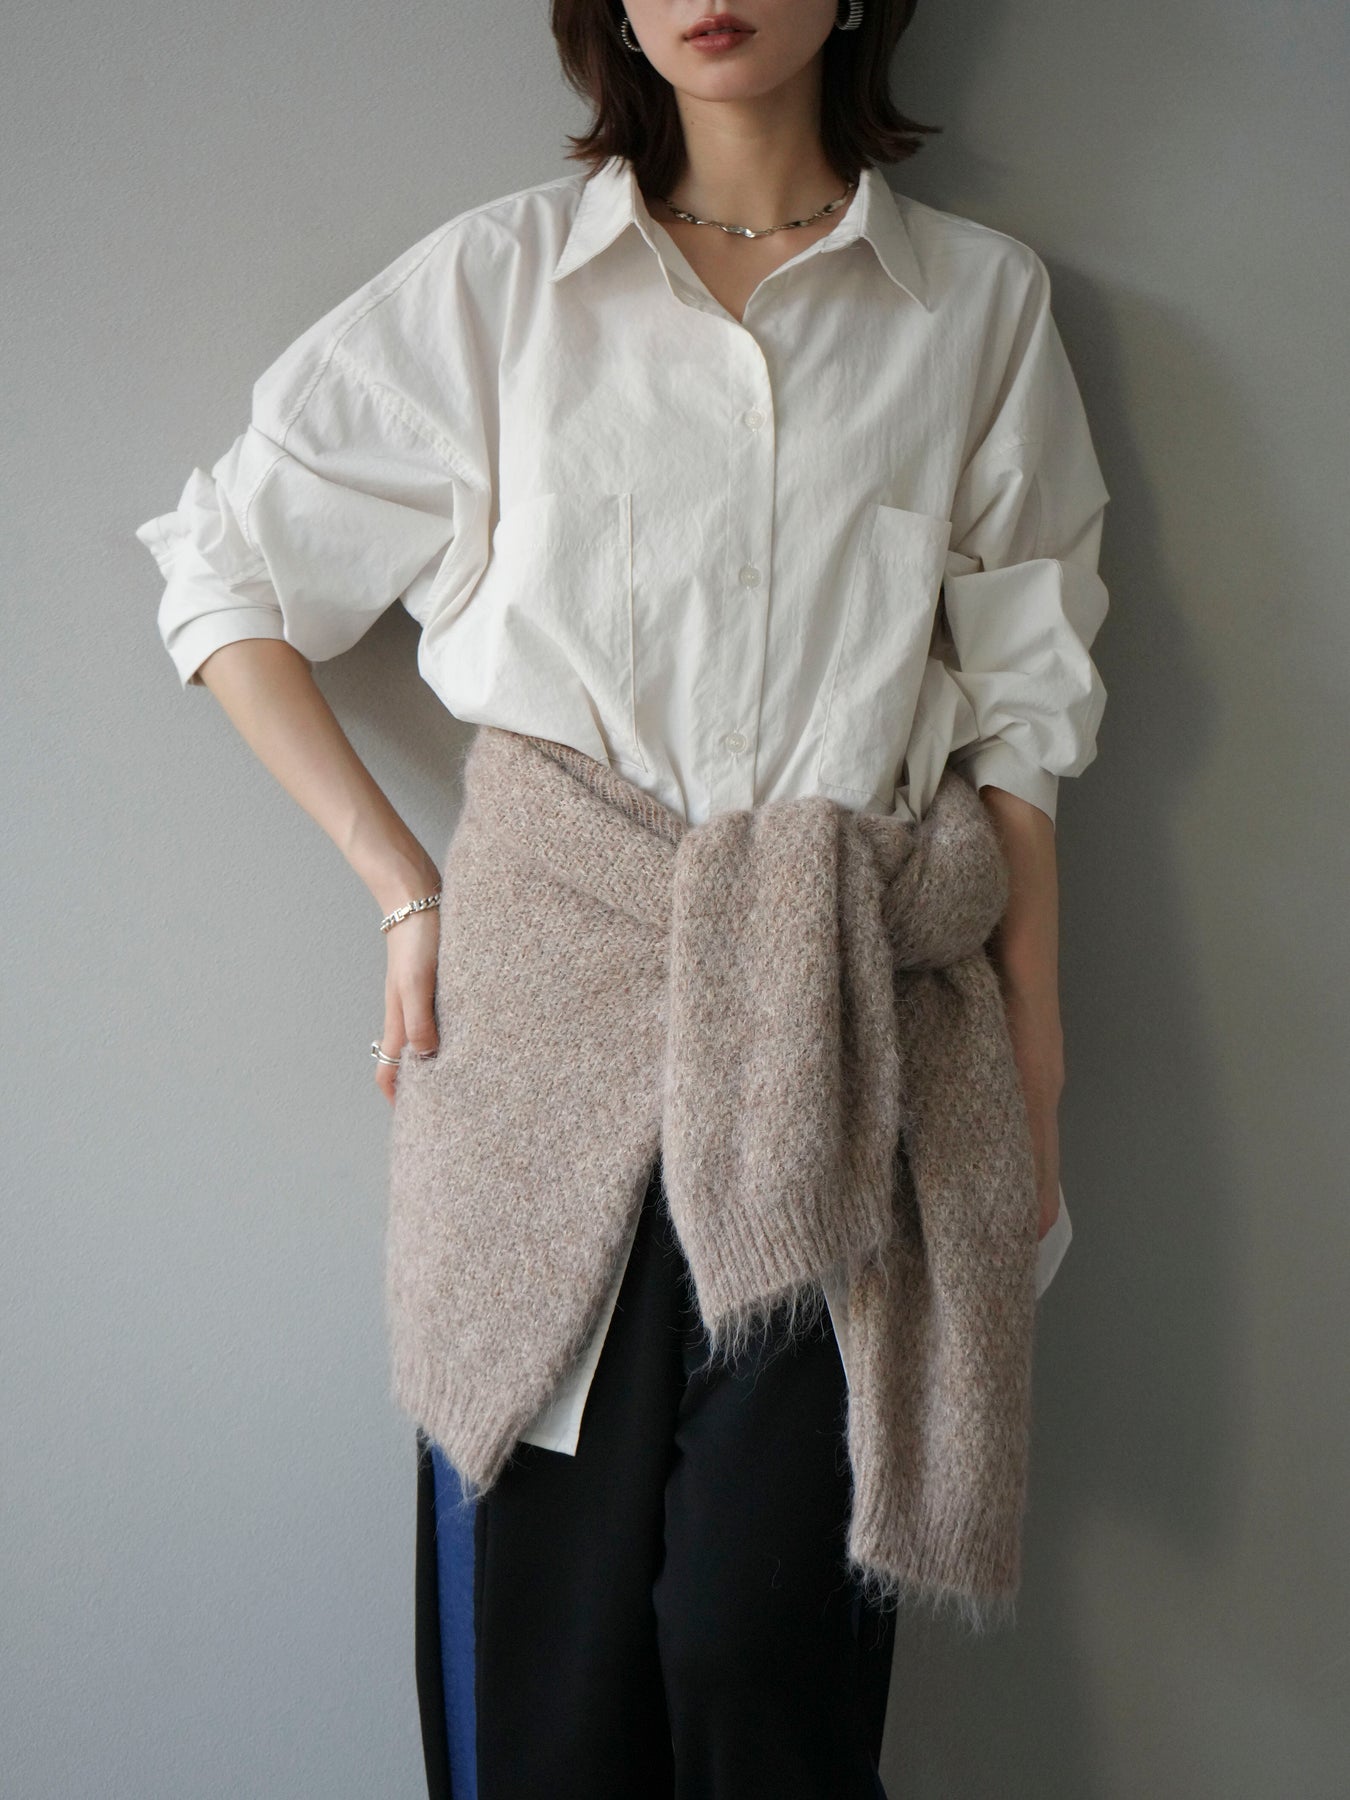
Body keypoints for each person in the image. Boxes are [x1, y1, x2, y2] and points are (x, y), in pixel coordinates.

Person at [134, 2, 1108, 1794]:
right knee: (551, 1672)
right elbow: (221, 569)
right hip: (546, 1026)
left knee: (764, 1642)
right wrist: (401, 885)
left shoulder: (977, 304)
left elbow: (1023, 705)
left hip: (843, 1037)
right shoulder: (501, 285)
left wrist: (1034, 1054)